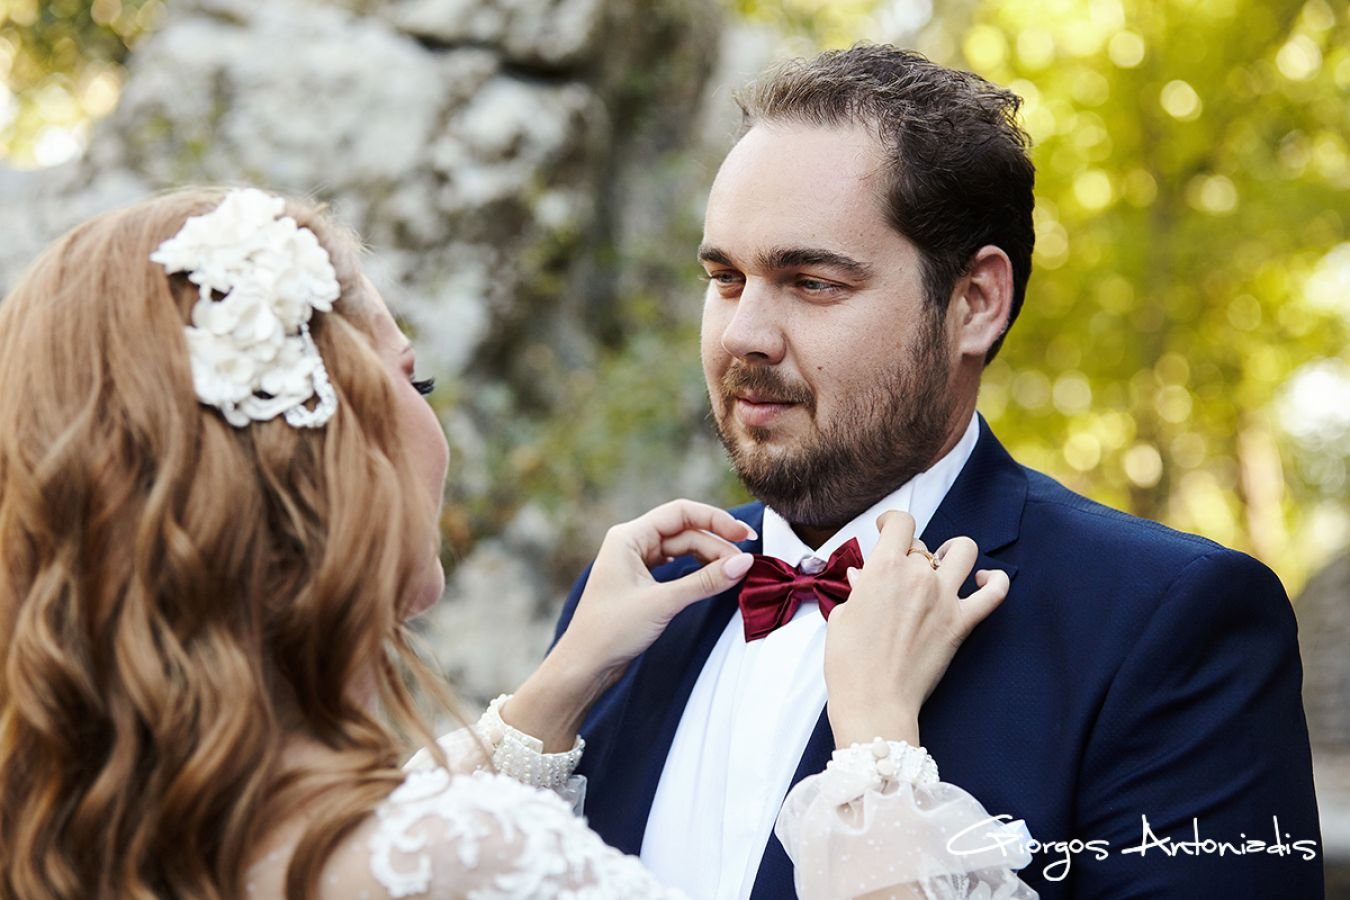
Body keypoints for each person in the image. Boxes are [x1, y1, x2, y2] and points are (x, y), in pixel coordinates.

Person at [0, 186, 1033, 899]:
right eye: (416, 382)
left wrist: (556, 692)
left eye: (811, 281)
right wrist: (879, 749)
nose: (744, 335)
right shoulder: (467, 856)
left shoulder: (82, 823)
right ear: (318, 442)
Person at [554, 44, 1324, 899]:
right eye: (725, 278)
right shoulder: (634, 601)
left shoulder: (1171, 625)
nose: (744, 335)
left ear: (974, 304)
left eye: (810, 282)